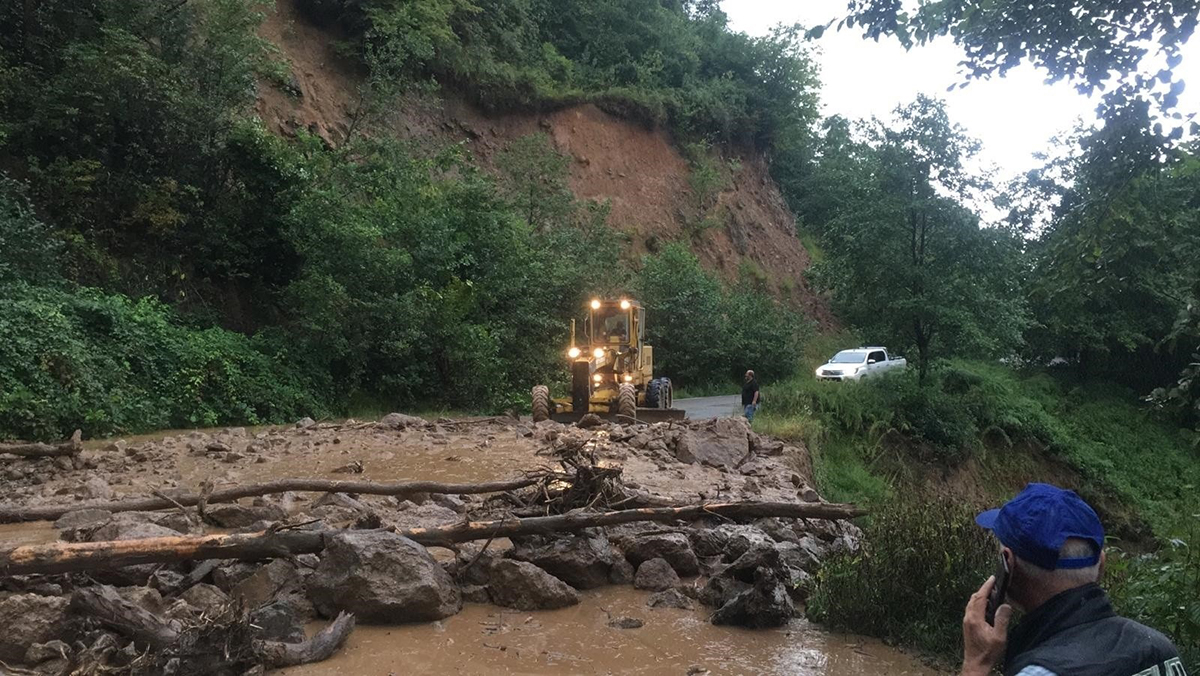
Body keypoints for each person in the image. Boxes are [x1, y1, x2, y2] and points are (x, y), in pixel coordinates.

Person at [961, 483, 1185, 676]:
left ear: (1008, 563)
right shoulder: (1161, 649)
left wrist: (976, 664)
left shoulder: (1042, 671)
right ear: (1101, 566)